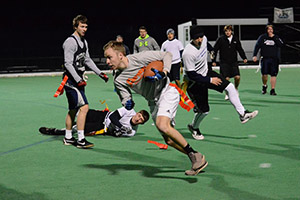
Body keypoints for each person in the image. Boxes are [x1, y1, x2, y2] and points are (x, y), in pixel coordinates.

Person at [103, 40, 207, 176]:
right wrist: (127, 103)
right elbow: (126, 98)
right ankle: (195, 155)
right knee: (168, 140)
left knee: (162, 125)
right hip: (153, 101)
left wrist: (164, 72)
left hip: (167, 90)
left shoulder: (139, 58)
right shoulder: (118, 80)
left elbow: (167, 55)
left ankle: (194, 157)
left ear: (121, 55)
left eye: (109, 57)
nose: (107, 61)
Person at [182, 26, 258, 140]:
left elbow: (206, 45)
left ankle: (243, 114)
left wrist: (211, 50)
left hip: (207, 73)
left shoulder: (204, 39)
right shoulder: (188, 53)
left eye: (201, 37)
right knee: (205, 111)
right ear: (192, 39)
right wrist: (210, 80)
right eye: (197, 38)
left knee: (230, 87)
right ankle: (194, 127)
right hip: (194, 83)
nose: (200, 40)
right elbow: (192, 75)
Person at [62, 15, 109, 149]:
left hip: (79, 80)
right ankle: (81, 139)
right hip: (71, 81)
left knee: (73, 109)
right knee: (84, 108)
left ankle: (68, 137)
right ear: (75, 27)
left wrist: (99, 73)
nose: (84, 29)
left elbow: (87, 60)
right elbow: (68, 63)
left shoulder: (84, 42)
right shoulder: (70, 42)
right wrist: (78, 79)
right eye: (82, 26)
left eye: (86, 26)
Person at [39, 107, 149, 137]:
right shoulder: (129, 110)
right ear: (136, 113)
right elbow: (113, 117)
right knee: (80, 112)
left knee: (79, 129)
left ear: (141, 123)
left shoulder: (132, 132)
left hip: (102, 127)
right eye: (138, 115)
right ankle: (72, 123)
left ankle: (56, 131)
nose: (137, 119)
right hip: (103, 115)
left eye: (140, 120)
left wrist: (117, 133)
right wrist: (120, 126)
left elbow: (114, 133)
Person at [212, 25, 247, 100]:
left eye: (229, 31)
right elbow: (214, 50)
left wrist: (244, 57)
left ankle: (236, 89)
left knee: (237, 77)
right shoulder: (221, 39)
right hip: (224, 62)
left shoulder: (235, 39)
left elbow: (240, 49)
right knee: (226, 79)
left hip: (233, 62)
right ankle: (227, 94)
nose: (227, 32)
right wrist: (213, 61)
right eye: (226, 31)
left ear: (231, 31)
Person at [253, 24, 284, 95]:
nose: (270, 30)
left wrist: (274, 38)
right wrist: (255, 55)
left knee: (273, 75)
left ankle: (272, 90)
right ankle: (264, 86)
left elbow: (281, 44)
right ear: (266, 30)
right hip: (265, 58)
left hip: (274, 59)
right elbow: (257, 46)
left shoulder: (276, 37)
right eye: (268, 29)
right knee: (264, 74)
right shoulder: (262, 37)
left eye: (271, 29)